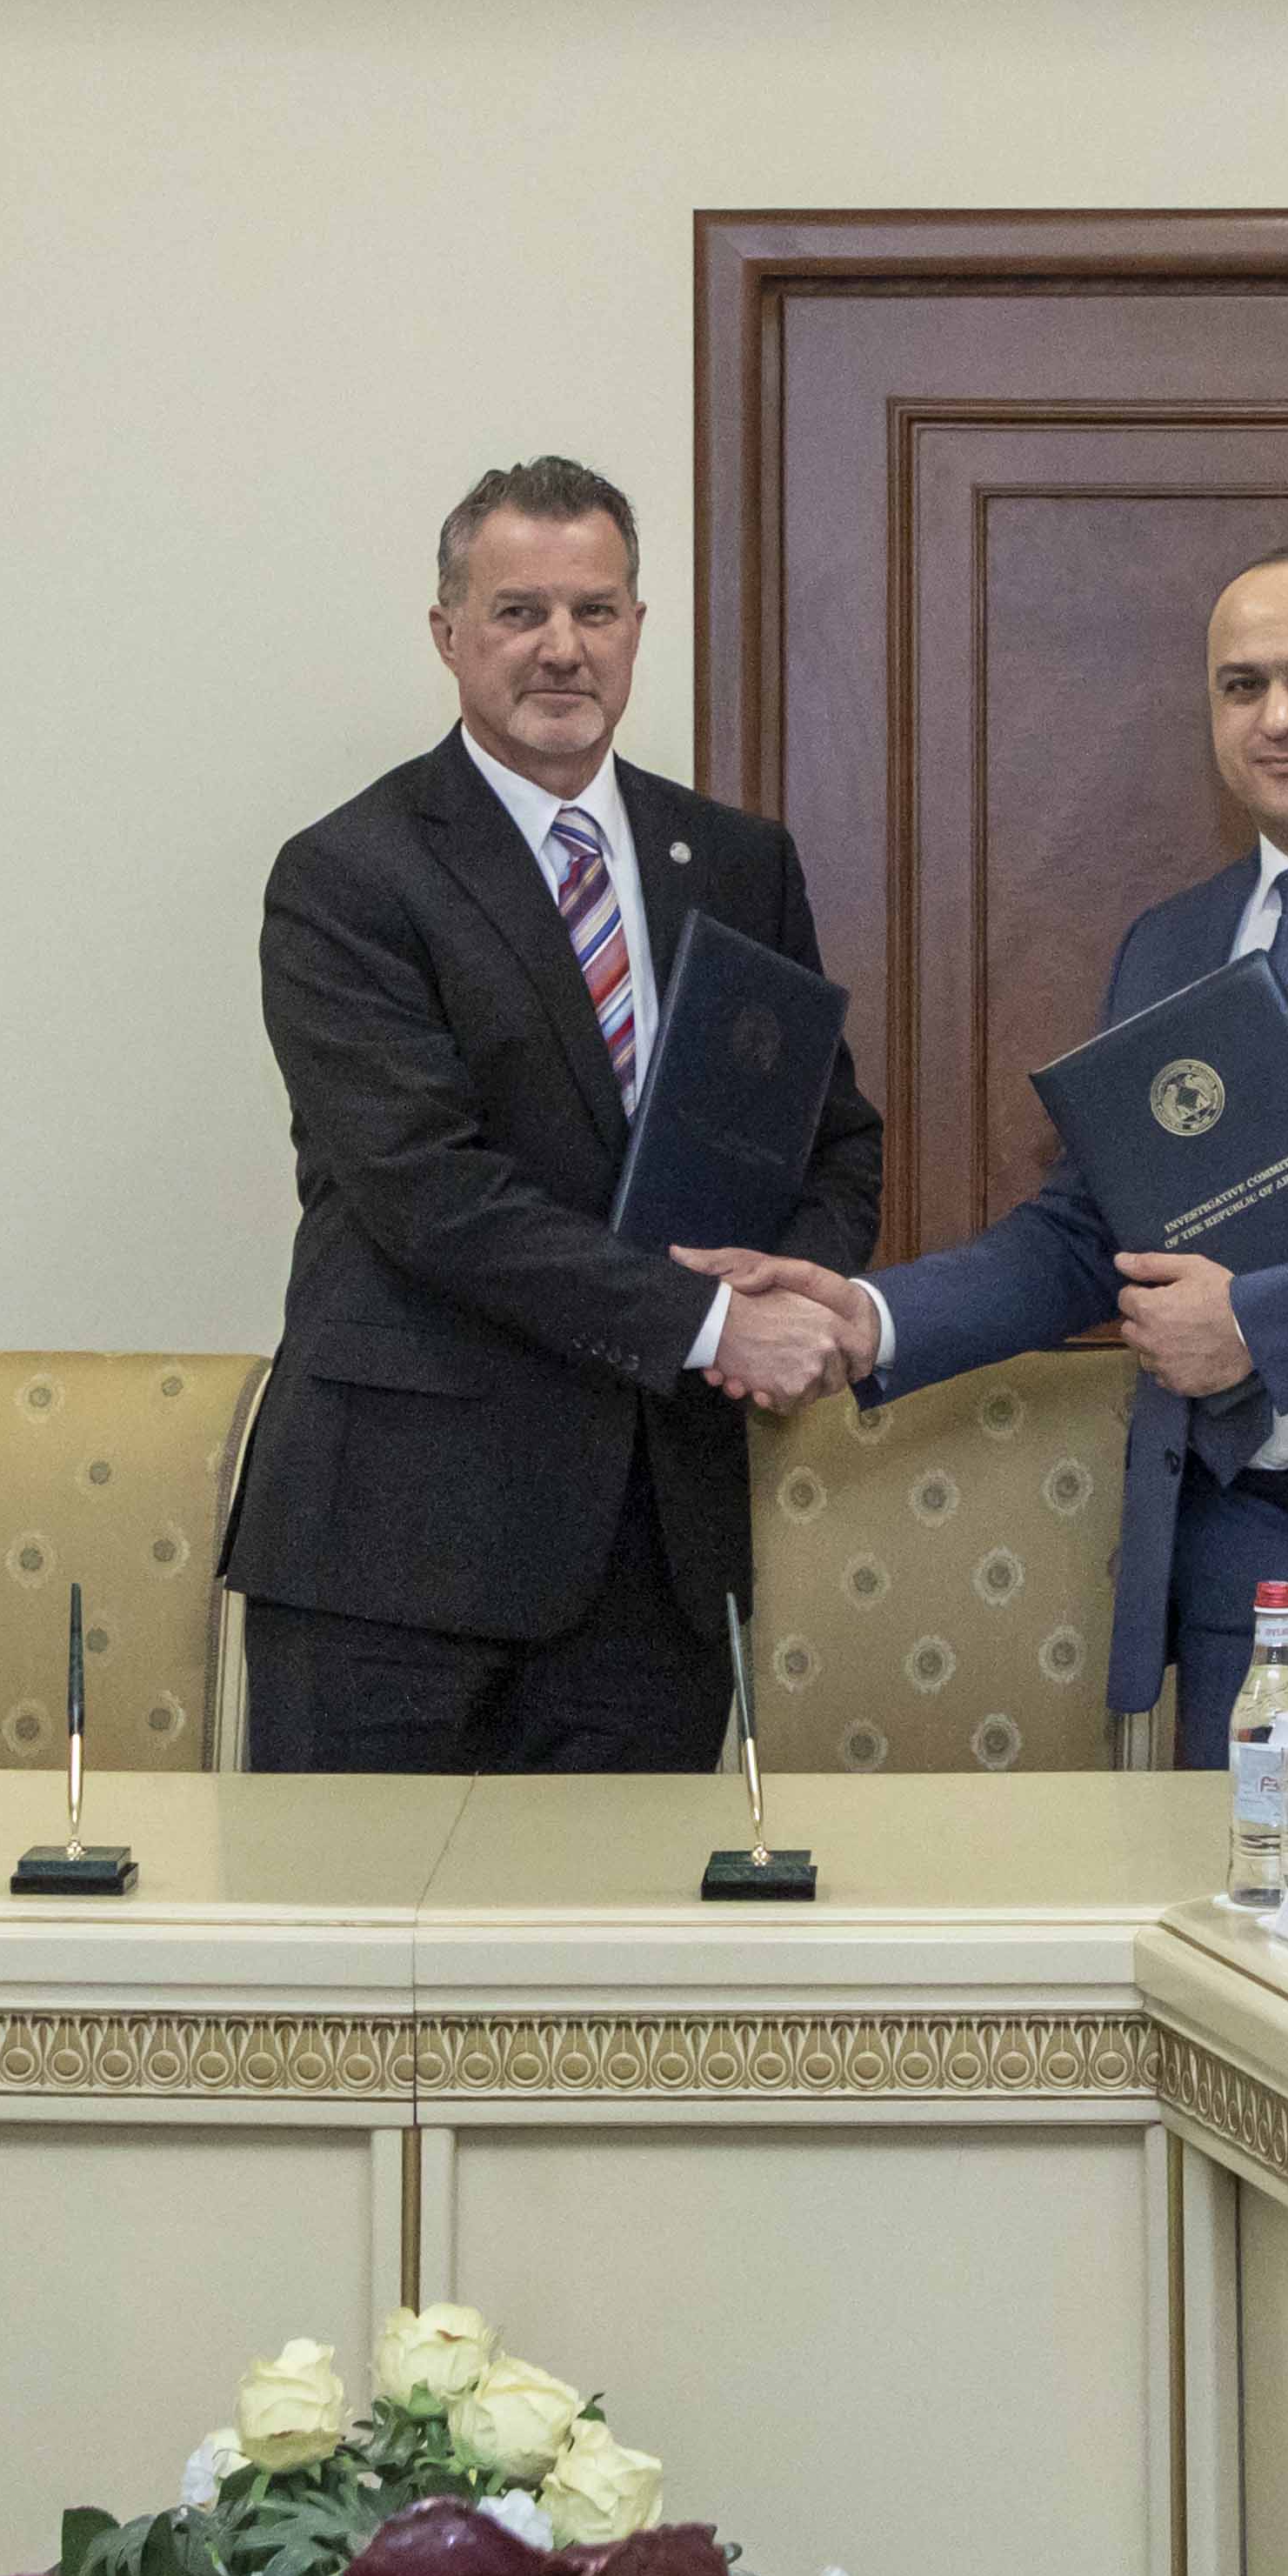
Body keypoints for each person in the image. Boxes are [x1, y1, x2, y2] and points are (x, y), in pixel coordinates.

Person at [698, 544, 1288, 1765]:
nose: (1279, 718)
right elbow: (1090, 1232)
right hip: (1233, 1565)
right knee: (1238, 1896)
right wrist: (871, 1318)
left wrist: (1255, 1323)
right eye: (1242, 686)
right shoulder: (1172, 945)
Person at [224, 459, 882, 1771]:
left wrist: (793, 1290)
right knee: (356, 1911)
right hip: (396, 1558)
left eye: (595, 610)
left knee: (620, 1913)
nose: (562, 648)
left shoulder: (739, 863)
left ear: (639, 626)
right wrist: (714, 1326)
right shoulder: (349, 875)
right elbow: (431, 1193)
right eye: (519, 612)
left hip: (656, 1553)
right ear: (448, 633)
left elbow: (832, 1141)